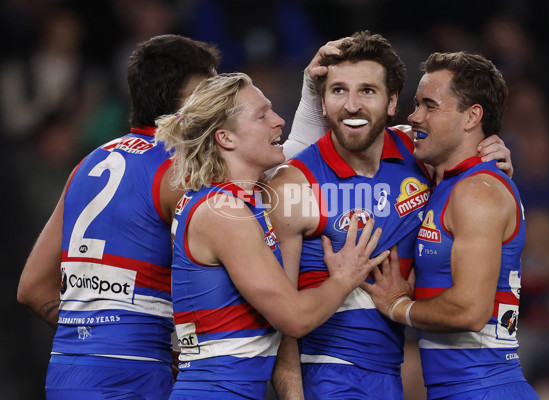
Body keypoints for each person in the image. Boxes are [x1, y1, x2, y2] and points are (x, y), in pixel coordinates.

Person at [15, 33, 341, 399]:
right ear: (191, 105)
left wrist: (95, 334)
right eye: (211, 91)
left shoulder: (89, 164)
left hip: (65, 372)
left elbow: (32, 287)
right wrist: (312, 99)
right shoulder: (182, 170)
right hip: (134, 376)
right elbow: (279, 171)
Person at [266, 31, 514, 399]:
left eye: (367, 90)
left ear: (392, 100)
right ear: (322, 102)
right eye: (338, 91)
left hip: (393, 374)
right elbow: (277, 318)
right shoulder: (292, 187)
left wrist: (493, 161)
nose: (351, 105)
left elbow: (470, 173)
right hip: (328, 376)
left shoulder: (422, 157)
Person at [154, 72, 390, 399]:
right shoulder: (225, 213)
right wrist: (344, 277)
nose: (278, 120)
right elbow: (294, 318)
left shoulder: (236, 200)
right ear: (226, 139)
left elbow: (303, 147)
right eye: (262, 114)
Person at [362, 52, 539, 399]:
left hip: (484, 389)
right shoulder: (449, 184)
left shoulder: (476, 191)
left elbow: (471, 310)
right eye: (416, 104)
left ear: (473, 116)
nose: (414, 116)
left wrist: (399, 306)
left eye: (430, 105)